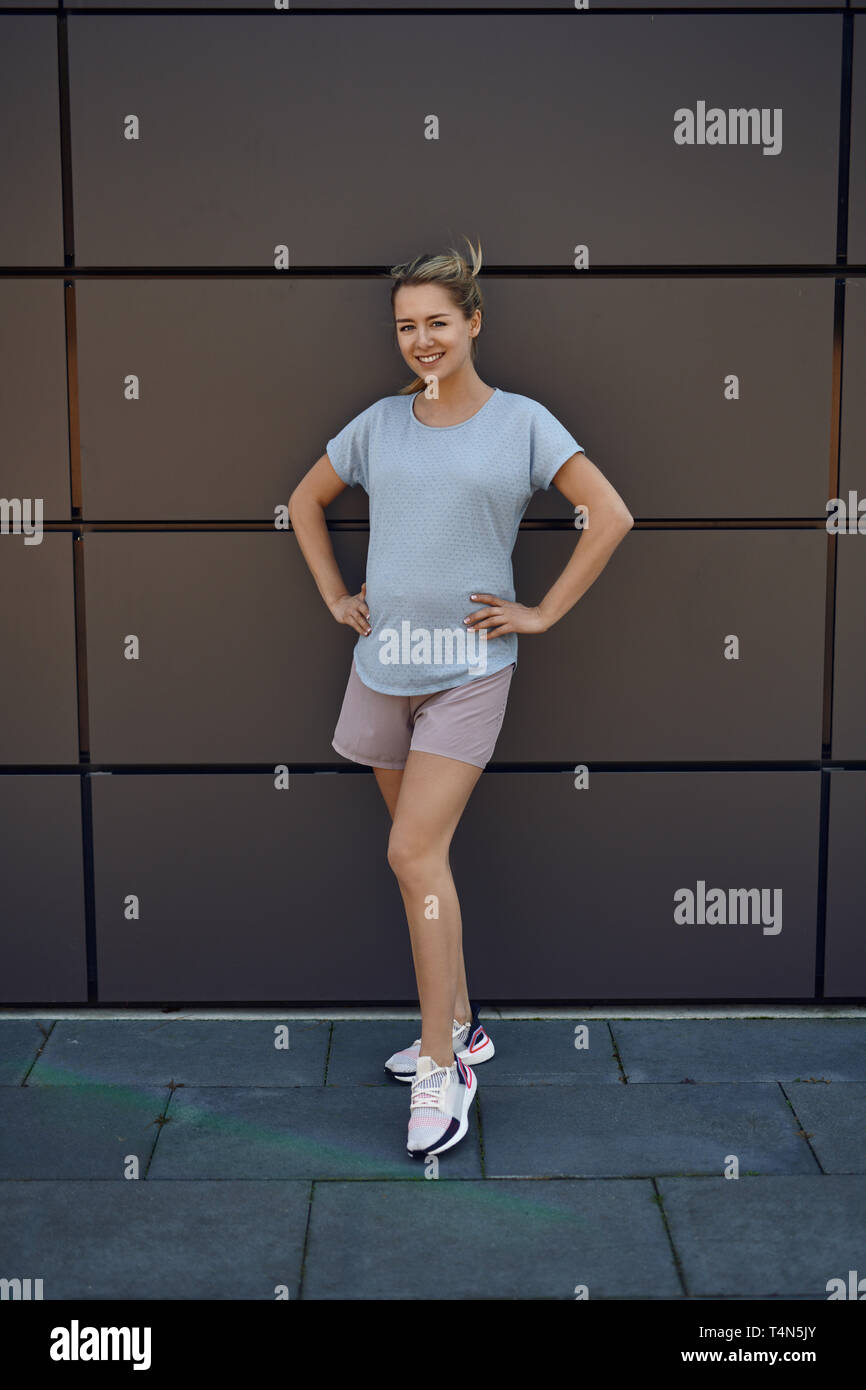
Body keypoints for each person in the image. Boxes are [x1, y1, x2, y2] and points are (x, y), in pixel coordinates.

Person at [288, 236, 633, 1159]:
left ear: (474, 322)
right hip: (380, 670)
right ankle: (467, 1022)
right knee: (419, 865)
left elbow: (610, 513)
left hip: (467, 675)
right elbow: (303, 503)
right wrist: (335, 596)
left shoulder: (522, 422)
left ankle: (445, 1067)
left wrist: (544, 613)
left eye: (438, 322)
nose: (421, 340)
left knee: (411, 853)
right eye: (406, 326)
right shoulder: (376, 424)